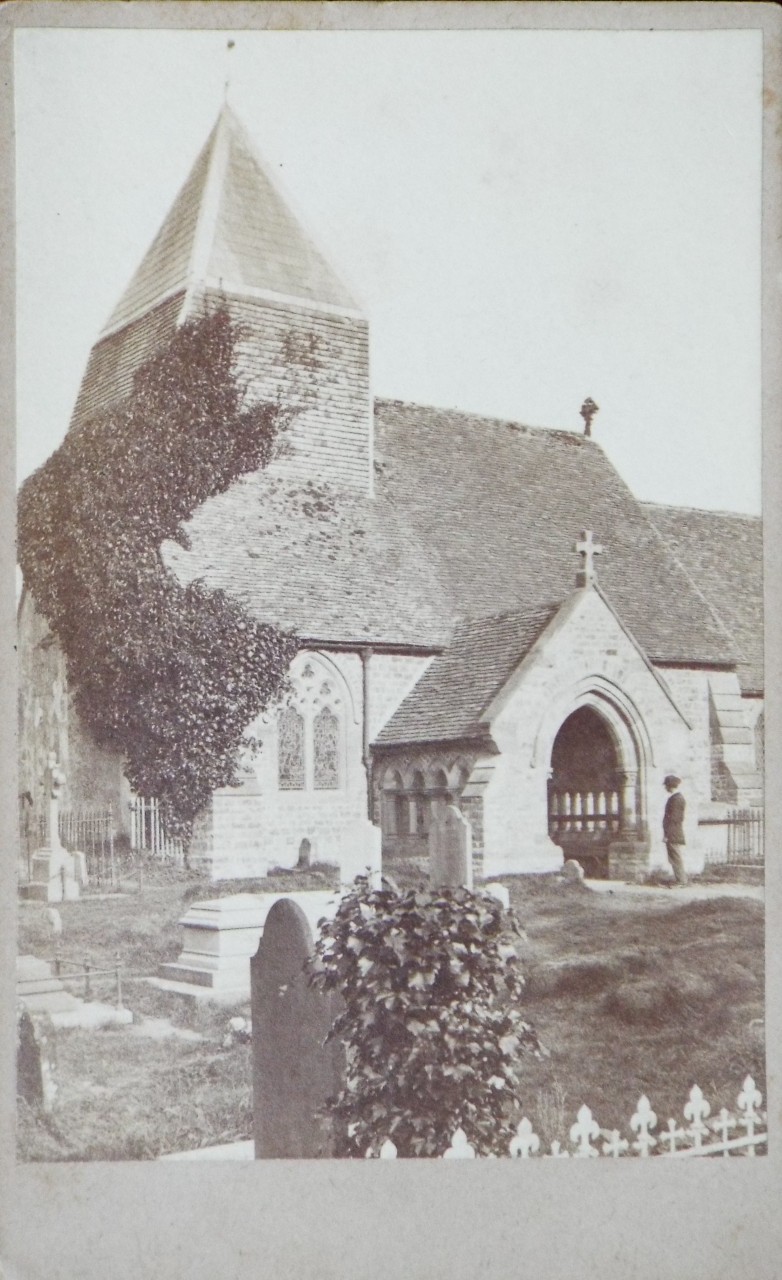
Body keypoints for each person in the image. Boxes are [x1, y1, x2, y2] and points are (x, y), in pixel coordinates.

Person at [662, 774, 687, 886]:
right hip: (673, 832)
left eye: (666, 785)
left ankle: (681, 881)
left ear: (670, 786)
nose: (665, 788)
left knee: (675, 856)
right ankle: (680, 880)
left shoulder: (676, 799)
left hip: (673, 833)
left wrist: (667, 834)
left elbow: (674, 819)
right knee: (674, 856)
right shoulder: (675, 798)